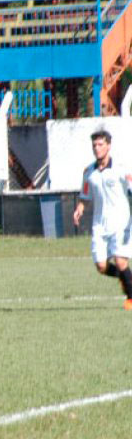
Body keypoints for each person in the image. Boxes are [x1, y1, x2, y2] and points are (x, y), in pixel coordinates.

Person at [73, 129, 132, 310]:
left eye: (100, 145)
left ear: (108, 146)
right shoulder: (88, 172)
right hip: (99, 224)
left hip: (121, 222)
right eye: (94, 145)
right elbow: (85, 195)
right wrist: (80, 208)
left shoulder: (120, 168)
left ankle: (131, 298)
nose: (97, 149)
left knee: (121, 261)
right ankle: (125, 278)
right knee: (101, 266)